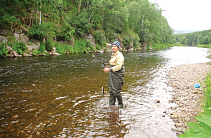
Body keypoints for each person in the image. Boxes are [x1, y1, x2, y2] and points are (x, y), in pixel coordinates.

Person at [103, 41, 125, 108]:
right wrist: (108, 67)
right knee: (111, 90)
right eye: (112, 46)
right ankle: (111, 106)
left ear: (118, 47)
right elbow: (113, 64)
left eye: (115, 46)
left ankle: (121, 105)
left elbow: (118, 67)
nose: (113, 47)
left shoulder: (120, 56)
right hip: (112, 74)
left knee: (116, 91)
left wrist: (109, 69)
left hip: (118, 75)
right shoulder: (113, 55)